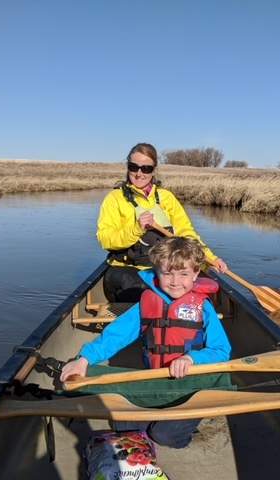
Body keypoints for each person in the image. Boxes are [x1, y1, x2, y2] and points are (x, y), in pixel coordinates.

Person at [61, 236, 231, 448]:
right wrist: (84, 359)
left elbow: (222, 350)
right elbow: (116, 335)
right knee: (124, 424)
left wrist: (192, 358)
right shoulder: (148, 302)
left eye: (184, 274)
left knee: (165, 436)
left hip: (191, 387)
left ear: (196, 273)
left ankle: (184, 428)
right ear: (157, 271)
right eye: (168, 273)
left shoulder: (203, 308)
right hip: (154, 379)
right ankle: (157, 414)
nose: (175, 281)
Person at [97, 142, 228, 302]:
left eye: (146, 168)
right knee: (147, 294)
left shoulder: (166, 197)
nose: (139, 173)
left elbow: (186, 235)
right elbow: (106, 240)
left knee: (191, 295)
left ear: (154, 170)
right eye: (134, 167)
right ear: (128, 167)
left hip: (165, 270)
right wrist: (136, 229)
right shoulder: (114, 199)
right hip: (126, 270)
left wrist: (210, 260)